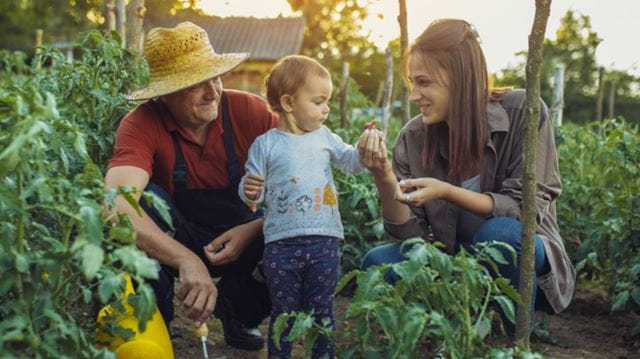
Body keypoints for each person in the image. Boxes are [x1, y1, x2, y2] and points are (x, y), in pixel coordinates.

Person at [357, 18, 575, 334]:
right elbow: (411, 239)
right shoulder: (413, 137)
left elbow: (525, 211)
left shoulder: (522, 112)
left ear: (459, 78)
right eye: (411, 83)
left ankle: (516, 338)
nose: (414, 94)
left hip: (522, 258)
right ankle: (454, 325)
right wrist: (382, 176)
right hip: (454, 262)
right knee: (377, 263)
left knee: (499, 237)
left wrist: (445, 191)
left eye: (423, 82)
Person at [104, 21, 278, 350]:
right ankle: (156, 320)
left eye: (215, 76)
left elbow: (310, 182)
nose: (212, 92)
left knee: (300, 236)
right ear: (166, 92)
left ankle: (239, 310)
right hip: (176, 237)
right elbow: (117, 205)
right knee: (148, 202)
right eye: (195, 84)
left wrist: (255, 228)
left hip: (242, 233)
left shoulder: (251, 112)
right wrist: (186, 260)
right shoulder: (141, 123)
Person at [239, 55, 373, 358]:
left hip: (325, 240)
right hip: (280, 245)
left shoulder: (324, 136)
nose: (326, 108)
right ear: (288, 103)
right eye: (319, 101)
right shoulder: (265, 144)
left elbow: (352, 163)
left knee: (322, 312)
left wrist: (364, 148)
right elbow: (252, 194)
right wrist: (248, 191)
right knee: (283, 314)